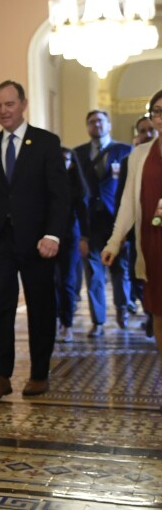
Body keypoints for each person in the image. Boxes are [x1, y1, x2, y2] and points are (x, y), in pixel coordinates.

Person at [0, 80, 69, 401]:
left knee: (41, 307)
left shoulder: (46, 142)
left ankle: (39, 374)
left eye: (9, 104)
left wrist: (53, 234)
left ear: (23, 105)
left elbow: (60, 195)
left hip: (38, 241)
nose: (3, 111)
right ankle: (0, 376)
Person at [103, 89, 162, 380]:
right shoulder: (138, 154)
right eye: (157, 111)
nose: (161, 117)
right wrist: (114, 241)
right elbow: (128, 202)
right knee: (159, 313)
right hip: (152, 245)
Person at [74, 110, 133, 336]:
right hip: (90, 222)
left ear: (108, 125)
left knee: (121, 268)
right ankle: (98, 321)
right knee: (93, 273)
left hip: (116, 219)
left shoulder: (125, 151)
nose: (96, 125)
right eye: (91, 122)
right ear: (87, 126)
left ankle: (122, 307)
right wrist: (81, 233)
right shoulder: (78, 154)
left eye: (100, 121)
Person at [118, 115, 159, 335]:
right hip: (141, 234)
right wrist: (120, 232)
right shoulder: (130, 160)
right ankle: (151, 313)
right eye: (143, 130)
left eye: (150, 130)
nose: (148, 134)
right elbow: (123, 198)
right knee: (140, 277)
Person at [55, 147, 89, 343]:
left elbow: (83, 214)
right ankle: (55, 319)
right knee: (50, 282)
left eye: (65, 159)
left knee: (66, 280)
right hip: (48, 236)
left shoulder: (77, 185)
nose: (61, 163)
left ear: (72, 163)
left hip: (70, 236)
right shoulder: (46, 182)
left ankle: (67, 323)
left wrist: (85, 238)